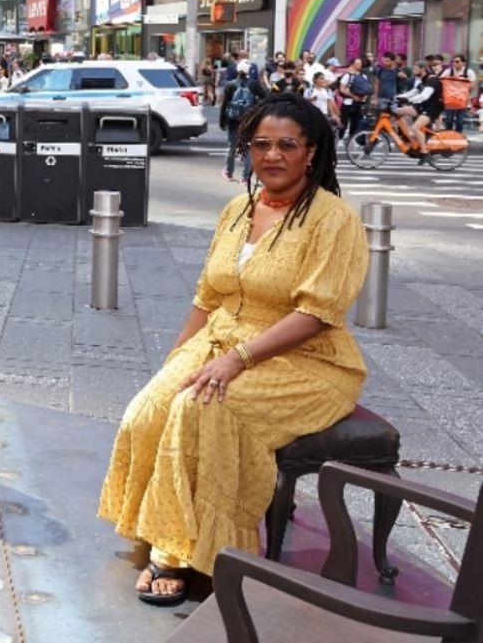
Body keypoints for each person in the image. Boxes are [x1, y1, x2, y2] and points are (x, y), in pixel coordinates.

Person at [100, 93, 367, 607]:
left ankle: (178, 552)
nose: (272, 155)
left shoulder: (333, 219)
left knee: (201, 407)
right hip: (223, 339)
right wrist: (177, 359)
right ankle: (163, 523)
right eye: (261, 144)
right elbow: (208, 295)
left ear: (311, 152)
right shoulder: (237, 209)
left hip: (308, 362)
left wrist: (237, 360)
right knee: (149, 408)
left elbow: (315, 315)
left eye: (287, 144)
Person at [219, 61, 267, 185]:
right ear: (248, 71)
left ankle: (229, 171)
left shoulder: (230, 85)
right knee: (247, 148)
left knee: (232, 147)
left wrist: (222, 122)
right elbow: (266, 97)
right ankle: (245, 177)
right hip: (249, 121)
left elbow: (224, 105)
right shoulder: (254, 84)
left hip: (233, 121)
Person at [395, 60, 442, 156]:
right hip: (423, 106)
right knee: (397, 112)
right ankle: (410, 137)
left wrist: (409, 100)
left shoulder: (432, 79)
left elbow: (425, 96)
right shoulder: (424, 80)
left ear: (423, 69)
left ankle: (424, 151)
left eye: (416, 69)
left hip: (433, 108)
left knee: (415, 127)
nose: (414, 71)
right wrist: (396, 98)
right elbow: (413, 92)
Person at [335, 58, 371, 141]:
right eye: (357, 63)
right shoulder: (347, 75)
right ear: (352, 64)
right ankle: (340, 137)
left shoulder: (363, 76)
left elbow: (366, 88)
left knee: (356, 123)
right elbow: (342, 89)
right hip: (348, 103)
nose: (359, 65)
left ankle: (351, 139)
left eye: (360, 63)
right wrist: (353, 96)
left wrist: (364, 96)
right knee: (344, 122)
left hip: (359, 103)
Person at [442, 55, 475, 132]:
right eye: (453, 61)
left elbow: (472, 85)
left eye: (457, 61)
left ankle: (458, 137)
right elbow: (441, 81)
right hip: (450, 100)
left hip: (462, 100)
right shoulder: (448, 71)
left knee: (460, 121)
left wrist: (462, 83)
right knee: (448, 120)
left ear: (463, 63)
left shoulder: (468, 72)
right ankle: (448, 136)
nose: (454, 63)